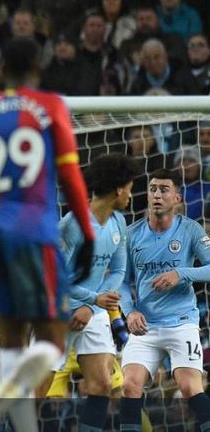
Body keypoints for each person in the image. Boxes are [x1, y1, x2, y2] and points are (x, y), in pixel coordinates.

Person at [0, 37, 95, 432]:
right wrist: (87, 231)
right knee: (52, 340)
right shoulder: (51, 107)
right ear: (39, 67)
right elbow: (69, 175)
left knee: (11, 341)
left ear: (1, 70)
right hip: (35, 229)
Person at [43, 153, 140, 432]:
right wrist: (88, 300)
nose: (131, 196)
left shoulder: (119, 223)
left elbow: (119, 271)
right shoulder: (72, 225)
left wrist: (94, 304)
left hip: (93, 311)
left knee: (102, 385)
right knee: (38, 391)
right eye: (131, 188)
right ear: (119, 188)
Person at [119, 168, 210, 431]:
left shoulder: (191, 230)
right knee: (129, 385)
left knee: (189, 386)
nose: (157, 194)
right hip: (145, 326)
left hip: (182, 322)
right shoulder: (131, 234)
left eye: (164, 189)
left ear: (178, 198)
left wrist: (181, 273)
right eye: (153, 189)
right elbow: (120, 281)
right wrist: (129, 311)